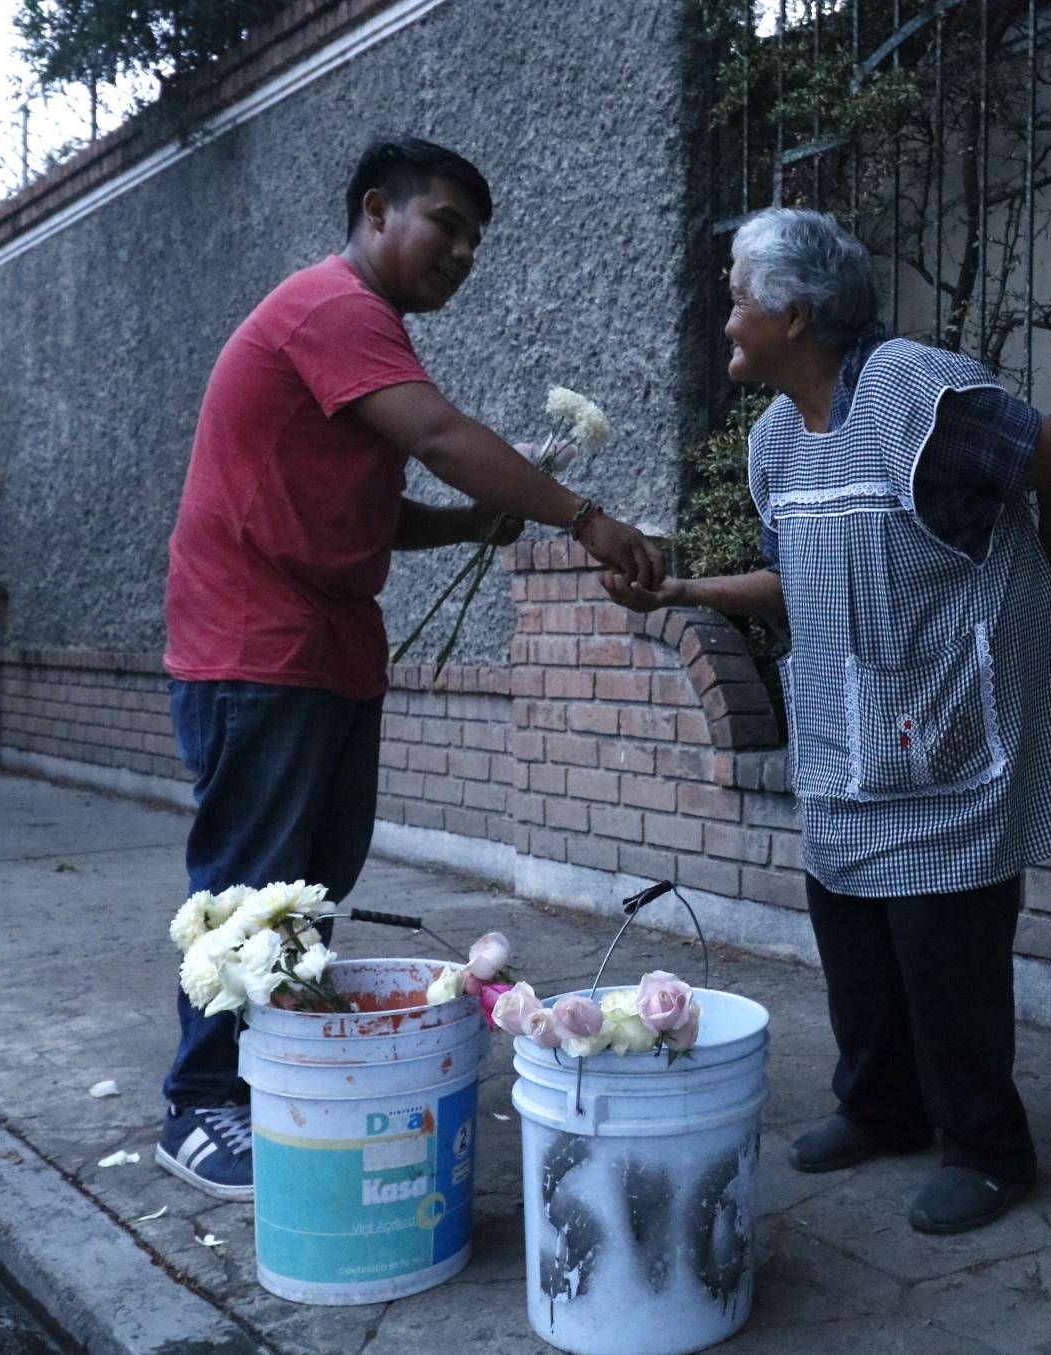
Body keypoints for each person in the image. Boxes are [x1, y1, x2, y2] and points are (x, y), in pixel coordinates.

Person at [157, 135, 664, 1200]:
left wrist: (475, 526)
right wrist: (581, 516)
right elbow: (436, 432)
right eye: (448, 226)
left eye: (477, 242)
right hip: (258, 648)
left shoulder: (360, 333)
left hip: (324, 647)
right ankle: (202, 1104)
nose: (463, 254)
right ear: (376, 210)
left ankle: (271, 1077)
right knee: (250, 895)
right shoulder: (332, 306)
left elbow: (373, 507)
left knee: (308, 888)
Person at [601, 207, 1051, 1234]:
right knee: (853, 928)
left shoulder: (921, 394)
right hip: (845, 732)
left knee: (944, 943)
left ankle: (989, 1148)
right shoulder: (777, 440)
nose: (727, 316)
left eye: (738, 295)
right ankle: (881, 1108)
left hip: (953, 730)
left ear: (792, 311)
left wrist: (1033, 587)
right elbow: (799, 578)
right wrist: (680, 588)